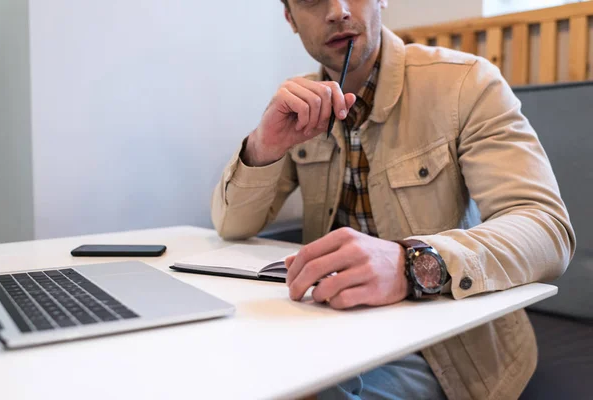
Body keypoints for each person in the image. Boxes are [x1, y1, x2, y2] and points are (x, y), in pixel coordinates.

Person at [211, 0, 576, 399]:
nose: (337, 10)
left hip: (449, 346)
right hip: (325, 326)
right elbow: (233, 226)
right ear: (290, 19)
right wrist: (263, 147)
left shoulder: (467, 83)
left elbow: (546, 227)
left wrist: (410, 264)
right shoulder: (298, 103)